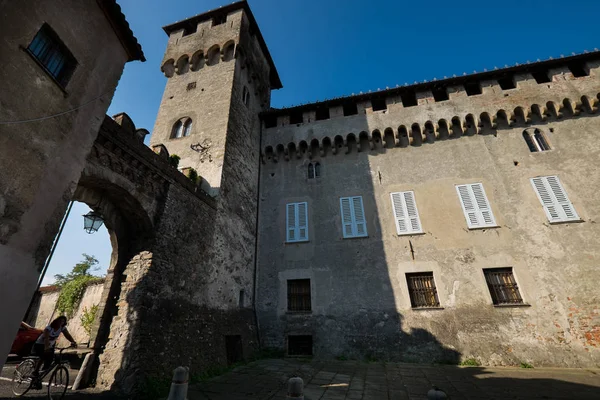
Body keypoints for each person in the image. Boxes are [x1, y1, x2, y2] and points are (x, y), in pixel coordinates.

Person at [31, 316, 76, 386]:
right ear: (56, 321)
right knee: (43, 356)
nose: (61, 323)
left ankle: (39, 376)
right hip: (40, 345)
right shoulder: (49, 328)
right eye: (60, 321)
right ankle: (35, 372)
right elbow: (46, 338)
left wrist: (73, 341)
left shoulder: (62, 328)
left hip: (50, 346)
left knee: (50, 361)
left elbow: (67, 335)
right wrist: (46, 348)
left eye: (63, 321)